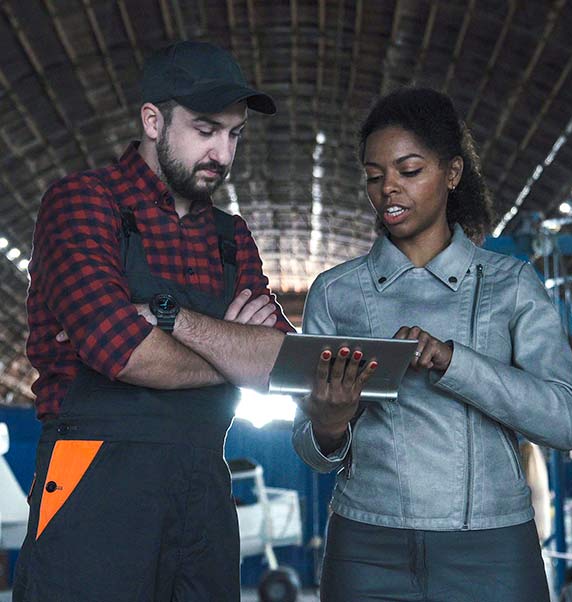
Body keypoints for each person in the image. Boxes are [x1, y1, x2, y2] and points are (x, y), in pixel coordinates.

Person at [14, 41, 296, 602]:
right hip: (94, 483)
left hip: (204, 492)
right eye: (205, 129)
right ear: (152, 120)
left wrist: (175, 322)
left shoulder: (230, 237)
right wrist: (235, 353)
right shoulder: (82, 203)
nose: (222, 152)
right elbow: (122, 349)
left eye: (234, 134)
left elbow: (281, 367)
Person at [293, 87, 572, 602]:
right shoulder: (336, 292)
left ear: (452, 174)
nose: (389, 189)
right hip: (366, 546)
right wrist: (328, 422)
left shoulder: (511, 284)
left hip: (493, 549)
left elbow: (567, 423)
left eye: (409, 171)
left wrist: (455, 361)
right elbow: (314, 454)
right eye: (374, 175)